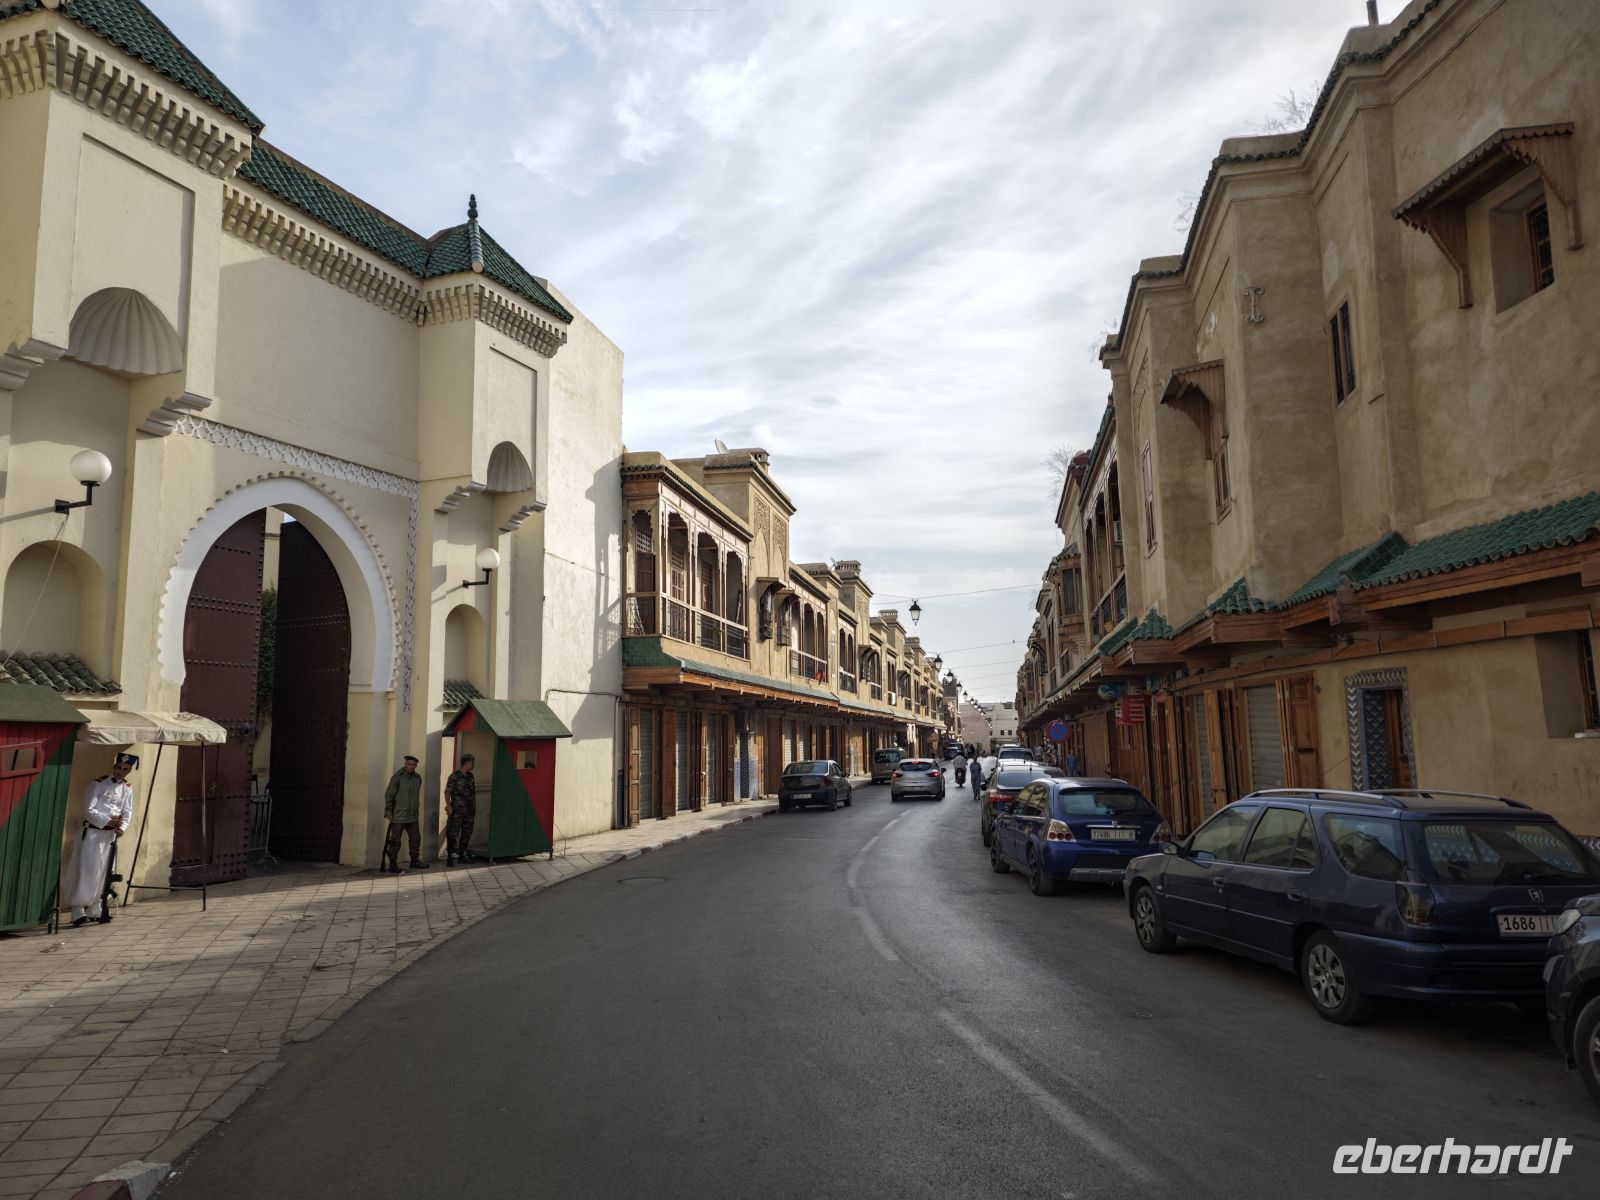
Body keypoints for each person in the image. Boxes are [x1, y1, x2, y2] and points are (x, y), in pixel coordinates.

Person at [63, 753, 136, 927]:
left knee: (104, 871)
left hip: (109, 835)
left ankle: (96, 906)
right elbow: (88, 810)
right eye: (118, 768)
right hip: (92, 833)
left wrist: (122, 827)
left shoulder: (127, 788)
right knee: (86, 869)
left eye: (125, 769)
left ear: (129, 771)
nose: (120, 772)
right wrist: (109, 820)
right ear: (114, 767)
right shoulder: (98, 784)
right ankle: (77, 909)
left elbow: (128, 811)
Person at [383, 754, 428, 872]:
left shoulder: (418, 778)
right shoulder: (397, 777)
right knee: (395, 842)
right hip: (398, 815)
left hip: (412, 816)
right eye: (409, 764)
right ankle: (392, 864)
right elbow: (389, 796)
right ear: (405, 764)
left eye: (414, 765)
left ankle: (414, 861)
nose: (411, 767)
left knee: (415, 839)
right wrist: (388, 812)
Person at [444, 753, 477, 867]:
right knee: (453, 833)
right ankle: (450, 855)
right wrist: (448, 806)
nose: (473, 765)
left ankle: (463, 855)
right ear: (467, 763)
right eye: (472, 763)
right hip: (457, 810)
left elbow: (472, 793)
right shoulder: (454, 776)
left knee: (467, 833)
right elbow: (447, 791)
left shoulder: (470, 776)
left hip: (469, 810)